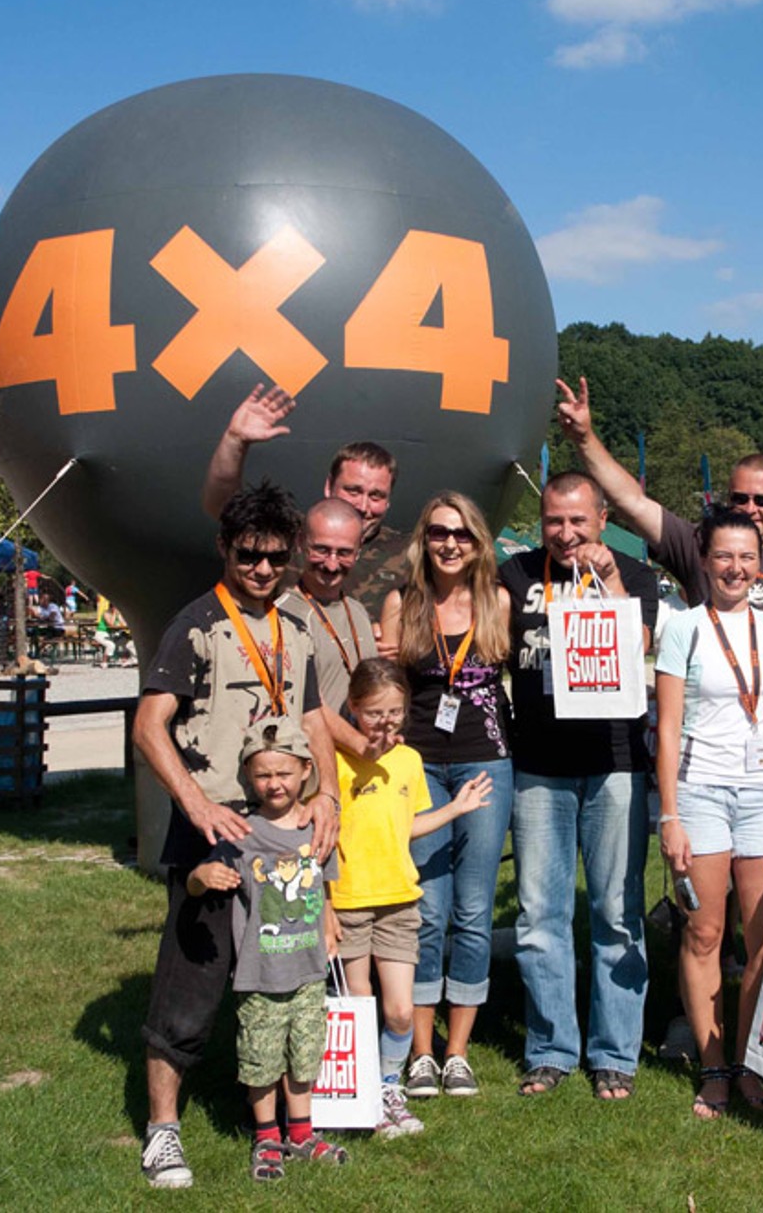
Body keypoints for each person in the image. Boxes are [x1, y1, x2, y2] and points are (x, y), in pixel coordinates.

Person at [132, 482, 342, 1191]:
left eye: (276, 557)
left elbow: (313, 719)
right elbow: (147, 724)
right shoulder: (195, 625)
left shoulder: (295, 623)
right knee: (189, 983)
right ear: (225, 548)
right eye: (249, 555)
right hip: (217, 825)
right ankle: (162, 1130)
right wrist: (194, 805)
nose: (261, 569)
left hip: (282, 827)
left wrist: (330, 798)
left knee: (287, 970)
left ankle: (290, 1123)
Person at [499, 471, 659, 1099]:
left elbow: (639, 643)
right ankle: (551, 1047)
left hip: (615, 761)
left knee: (616, 914)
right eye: (553, 522)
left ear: (600, 520)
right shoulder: (515, 574)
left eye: (578, 522)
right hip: (539, 763)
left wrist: (608, 581)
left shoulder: (633, 573)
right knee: (540, 914)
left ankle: (615, 1051)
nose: (566, 534)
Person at [652, 510, 763, 1118]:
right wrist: (669, 816)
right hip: (701, 794)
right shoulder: (683, 627)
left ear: (757, 563)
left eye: (746, 557)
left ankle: (751, 1063)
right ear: (705, 561)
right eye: (723, 557)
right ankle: (712, 1066)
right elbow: (666, 729)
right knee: (705, 932)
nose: (735, 569)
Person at [378, 491, 515, 1098]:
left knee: (472, 911)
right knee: (427, 911)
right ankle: (421, 1052)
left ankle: (458, 1051)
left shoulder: (496, 602)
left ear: (478, 541)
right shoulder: (401, 604)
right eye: (438, 533)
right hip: (421, 767)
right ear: (423, 539)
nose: (450, 544)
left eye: (461, 534)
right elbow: (380, 688)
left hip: (486, 762)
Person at [328, 658, 495, 1137]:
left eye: (396, 713)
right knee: (358, 1004)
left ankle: (387, 1088)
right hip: (350, 900)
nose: (386, 723)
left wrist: (455, 809)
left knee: (400, 1009)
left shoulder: (409, 761)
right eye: (375, 713)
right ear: (353, 709)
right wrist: (324, 904)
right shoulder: (337, 761)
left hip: (400, 900)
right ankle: (363, 1099)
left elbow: (409, 824)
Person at [186, 718, 348, 1182]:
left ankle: (301, 1134)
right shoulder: (241, 832)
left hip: (310, 969)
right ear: (248, 778)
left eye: (284, 773)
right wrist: (202, 878)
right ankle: (266, 1137)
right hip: (259, 975)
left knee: (304, 1055)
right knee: (261, 1060)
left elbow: (324, 887)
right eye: (263, 775)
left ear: (305, 772)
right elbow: (199, 881)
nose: (274, 784)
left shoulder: (318, 827)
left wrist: (330, 919)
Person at [553, 377, 763, 619]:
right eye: (740, 498)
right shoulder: (698, 544)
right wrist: (584, 438)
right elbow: (633, 502)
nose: (750, 509)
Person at [201, 381, 404, 609]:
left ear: (388, 502)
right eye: (353, 491)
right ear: (329, 487)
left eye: (376, 496)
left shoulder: (407, 555)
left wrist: (396, 635)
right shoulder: (288, 532)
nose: (362, 506)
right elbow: (224, 507)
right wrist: (235, 441)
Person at [279, 500, 378, 712]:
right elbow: (307, 710)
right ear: (300, 542)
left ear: (358, 551)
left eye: (344, 553)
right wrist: (360, 744)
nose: (332, 564)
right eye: (321, 550)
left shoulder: (358, 611)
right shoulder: (283, 616)